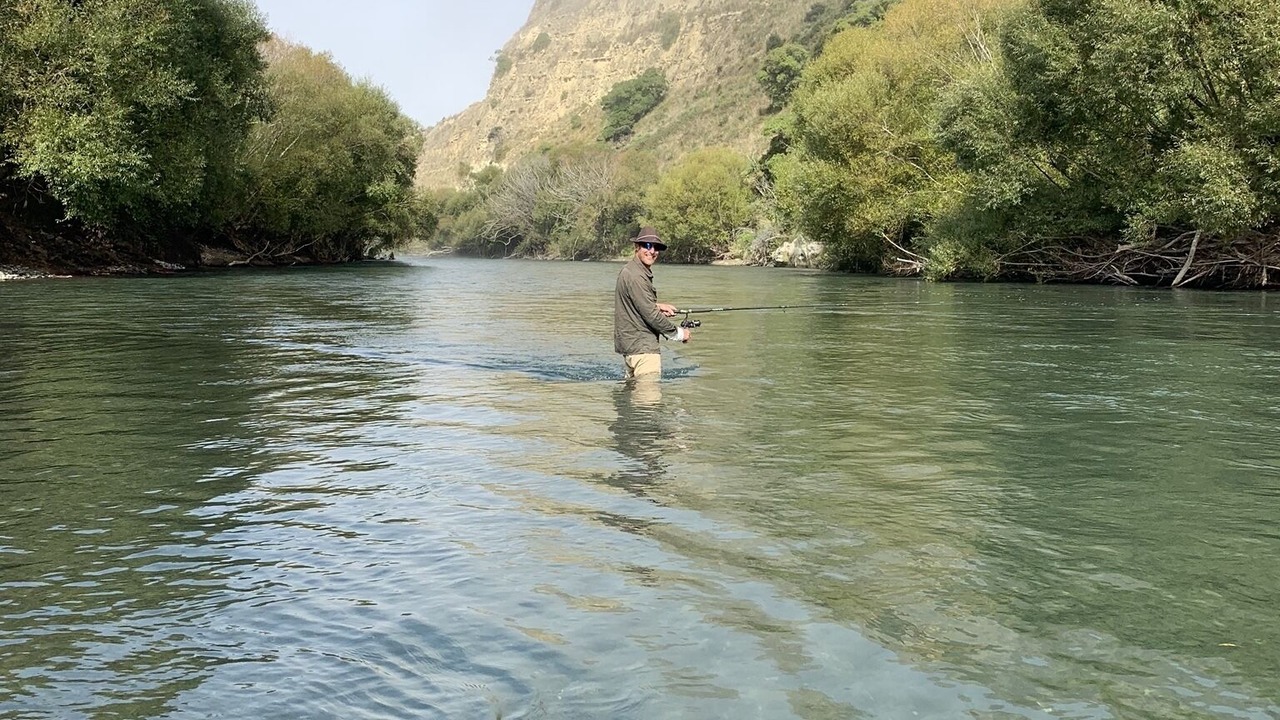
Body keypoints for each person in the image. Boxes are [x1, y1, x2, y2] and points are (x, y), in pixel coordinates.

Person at [614, 227, 691, 379]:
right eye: (647, 246)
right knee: (649, 395)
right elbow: (652, 316)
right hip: (644, 351)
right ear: (637, 247)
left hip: (631, 349)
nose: (652, 251)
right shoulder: (636, 276)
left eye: (656, 247)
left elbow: (635, 304)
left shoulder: (630, 271)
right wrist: (680, 334)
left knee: (634, 394)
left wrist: (657, 306)